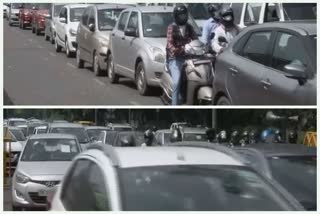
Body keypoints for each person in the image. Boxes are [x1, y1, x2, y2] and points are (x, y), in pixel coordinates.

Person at [166, 5, 198, 105]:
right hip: (175, 58)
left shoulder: (189, 27)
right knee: (176, 83)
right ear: (176, 16)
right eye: (180, 16)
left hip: (189, 57)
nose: (183, 17)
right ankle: (174, 105)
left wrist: (202, 47)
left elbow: (196, 39)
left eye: (184, 15)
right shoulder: (172, 27)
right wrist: (176, 50)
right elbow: (170, 44)